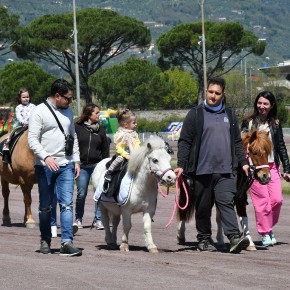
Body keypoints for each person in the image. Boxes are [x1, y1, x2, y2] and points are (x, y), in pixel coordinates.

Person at [174, 76, 250, 254]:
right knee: (203, 207)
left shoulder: (229, 114)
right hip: (201, 170)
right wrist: (181, 164)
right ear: (206, 91)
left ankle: (234, 238)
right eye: (210, 92)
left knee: (226, 202)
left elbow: (237, 142)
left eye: (217, 93)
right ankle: (204, 239)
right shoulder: (195, 114)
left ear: (223, 95)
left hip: (226, 170)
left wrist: (244, 162)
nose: (213, 96)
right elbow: (185, 141)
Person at [28, 79, 82, 256]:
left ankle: (67, 242)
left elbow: (72, 136)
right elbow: (32, 140)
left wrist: (76, 160)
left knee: (66, 204)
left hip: (65, 165)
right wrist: (46, 157)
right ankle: (45, 239)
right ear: (57, 96)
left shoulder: (68, 111)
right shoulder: (39, 111)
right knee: (45, 206)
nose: (70, 101)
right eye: (68, 98)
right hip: (44, 167)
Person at [241, 91, 290, 246]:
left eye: (265, 104)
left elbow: (281, 146)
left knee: (277, 200)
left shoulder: (275, 124)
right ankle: (265, 233)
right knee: (262, 201)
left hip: (272, 166)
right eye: (259, 103)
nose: (261, 106)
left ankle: (268, 227)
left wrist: (287, 168)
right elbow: (241, 146)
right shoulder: (248, 123)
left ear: (271, 106)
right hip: (255, 167)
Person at [73, 103, 109, 230]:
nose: (99, 115)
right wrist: (75, 162)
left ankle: (98, 220)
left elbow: (105, 149)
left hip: (97, 166)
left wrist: (105, 166)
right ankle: (78, 219)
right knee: (81, 193)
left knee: (98, 193)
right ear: (89, 114)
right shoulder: (77, 127)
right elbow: (73, 146)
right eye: (97, 113)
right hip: (82, 166)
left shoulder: (101, 129)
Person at [103, 108, 140, 184]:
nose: (136, 124)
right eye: (134, 123)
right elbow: (118, 147)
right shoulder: (119, 135)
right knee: (119, 159)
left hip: (134, 154)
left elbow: (137, 144)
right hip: (123, 154)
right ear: (126, 124)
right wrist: (125, 155)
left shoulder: (134, 134)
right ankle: (109, 172)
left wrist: (138, 152)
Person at [2, 88, 35, 164]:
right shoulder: (18, 107)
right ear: (20, 98)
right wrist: (24, 122)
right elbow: (18, 117)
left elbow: (35, 115)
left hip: (32, 125)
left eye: (27, 97)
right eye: (24, 97)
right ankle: (6, 149)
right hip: (22, 126)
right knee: (12, 134)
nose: (26, 99)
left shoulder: (33, 106)